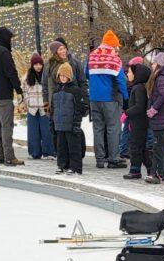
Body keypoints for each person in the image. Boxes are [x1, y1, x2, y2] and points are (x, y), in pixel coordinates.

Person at [86, 30, 128, 169]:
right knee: (113, 128)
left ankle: (99, 159)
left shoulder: (92, 56)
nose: (117, 49)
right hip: (110, 99)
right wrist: (126, 97)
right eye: (117, 46)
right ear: (113, 45)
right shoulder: (114, 59)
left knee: (98, 128)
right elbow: (121, 80)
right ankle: (113, 158)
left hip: (94, 98)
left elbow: (87, 73)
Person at [0, 26, 24, 166]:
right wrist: (18, 89)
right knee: (7, 126)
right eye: (10, 38)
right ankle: (9, 157)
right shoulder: (3, 52)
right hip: (3, 95)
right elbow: (11, 72)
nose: (10, 40)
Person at [146, 52, 164, 185]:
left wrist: (154, 109)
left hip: (161, 117)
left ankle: (156, 174)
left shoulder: (161, 77)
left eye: (154, 62)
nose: (152, 65)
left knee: (158, 147)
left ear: (159, 64)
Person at [52, 62, 86, 175]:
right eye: (60, 76)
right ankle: (62, 165)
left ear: (69, 76)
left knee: (73, 147)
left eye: (65, 76)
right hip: (59, 124)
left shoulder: (75, 90)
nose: (62, 78)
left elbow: (79, 108)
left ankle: (75, 167)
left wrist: (77, 123)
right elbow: (53, 108)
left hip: (71, 124)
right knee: (61, 147)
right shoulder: (56, 91)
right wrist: (52, 121)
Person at [22, 54, 55, 160]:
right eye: (36, 64)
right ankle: (34, 153)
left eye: (40, 64)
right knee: (33, 132)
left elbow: (49, 89)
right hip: (32, 108)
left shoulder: (45, 75)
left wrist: (49, 103)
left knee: (46, 131)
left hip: (44, 106)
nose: (38, 66)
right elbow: (24, 91)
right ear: (32, 65)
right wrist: (27, 102)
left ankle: (49, 152)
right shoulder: (27, 76)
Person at [123, 59, 151, 181]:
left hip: (139, 122)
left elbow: (139, 106)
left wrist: (126, 113)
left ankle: (135, 170)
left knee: (136, 146)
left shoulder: (138, 88)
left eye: (129, 72)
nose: (127, 74)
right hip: (136, 122)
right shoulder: (137, 87)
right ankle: (148, 168)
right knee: (138, 146)